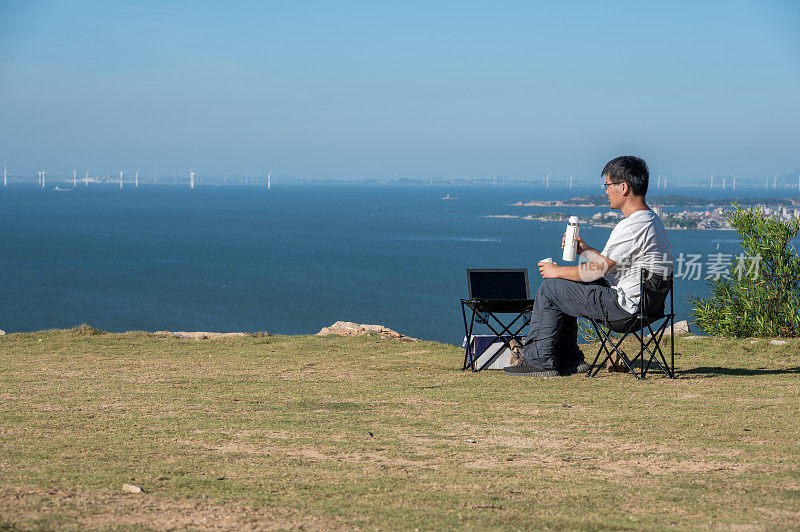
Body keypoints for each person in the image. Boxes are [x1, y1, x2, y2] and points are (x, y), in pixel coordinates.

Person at [504, 155, 673, 377]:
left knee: (550, 288)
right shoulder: (651, 221)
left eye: (608, 185)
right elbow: (613, 265)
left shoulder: (631, 227)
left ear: (623, 187)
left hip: (624, 309)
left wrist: (555, 272)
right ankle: (569, 359)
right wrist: (585, 251)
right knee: (564, 283)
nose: (605, 191)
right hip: (648, 307)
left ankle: (540, 362)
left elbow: (600, 270)